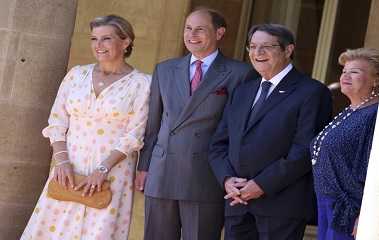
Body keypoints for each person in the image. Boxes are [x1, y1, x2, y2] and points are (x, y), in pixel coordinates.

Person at [21, 15, 151, 240]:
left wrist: (102, 170)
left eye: (106, 39)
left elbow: (135, 133)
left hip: (112, 173)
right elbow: (57, 121)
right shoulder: (76, 75)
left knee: (97, 232)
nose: (98, 45)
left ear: (126, 41)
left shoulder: (143, 83)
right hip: (68, 170)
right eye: (94, 39)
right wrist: (61, 162)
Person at [134, 8, 253, 240]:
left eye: (200, 29)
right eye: (188, 28)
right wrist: (144, 166)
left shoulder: (241, 73)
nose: (192, 35)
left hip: (206, 175)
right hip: (162, 172)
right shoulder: (165, 69)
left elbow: (237, 132)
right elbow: (154, 124)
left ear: (219, 33)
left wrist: (229, 175)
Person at [209, 23, 332, 240]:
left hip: (281, 206)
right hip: (237, 203)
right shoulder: (243, 91)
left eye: (267, 46)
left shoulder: (312, 92)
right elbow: (219, 144)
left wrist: (261, 185)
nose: (258, 53)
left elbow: (305, 150)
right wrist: (227, 179)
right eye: (253, 47)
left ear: (288, 50)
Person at [311, 48, 379, 240]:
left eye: (354, 72)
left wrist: (364, 212)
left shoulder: (375, 114)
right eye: (344, 71)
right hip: (327, 203)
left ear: (376, 79)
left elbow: (375, 169)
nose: (345, 76)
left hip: (348, 209)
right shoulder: (351, 110)